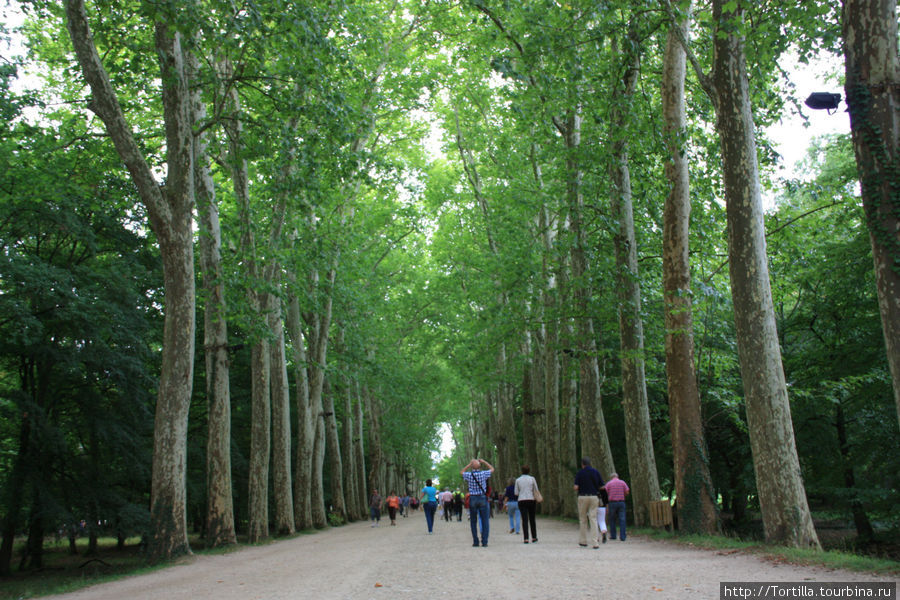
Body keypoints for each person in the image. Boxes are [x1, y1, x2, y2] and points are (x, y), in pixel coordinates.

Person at [461, 457, 494, 547]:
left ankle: (475, 541)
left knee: (473, 521)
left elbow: (462, 472)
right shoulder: (483, 474)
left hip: (473, 498)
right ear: (480, 466)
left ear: (472, 467)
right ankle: (484, 541)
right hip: (483, 498)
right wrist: (484, 461)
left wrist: (469, 464)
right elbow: (492, 469)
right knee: (485, 521)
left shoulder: (469, 475)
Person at [573, 457, 604, 548]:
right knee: (593, 519)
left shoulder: (580, 473)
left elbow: (575, 487)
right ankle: (595, 542)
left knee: (583, 519)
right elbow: (602, 486)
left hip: (582, 496)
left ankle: (583, 541)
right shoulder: (596, 472)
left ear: (582, 464)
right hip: (594, 496)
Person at [514, 465, 540, 544]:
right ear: (529, 471)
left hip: (522, 500)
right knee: (532, 519)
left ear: (521, 471)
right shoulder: (532, 479)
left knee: (524, 519)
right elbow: (536, 489)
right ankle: (534, 537)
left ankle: (526, 538)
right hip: (531, 499)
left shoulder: (518, 480)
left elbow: (516, 492)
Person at [603, 472, 630, 541]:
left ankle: (613, 535)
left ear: (611, 477)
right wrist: (623, 495)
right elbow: (627, 491)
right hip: (621, 502)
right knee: (622, 519)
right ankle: (623, 536)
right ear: (617, 477)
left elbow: (604, 493)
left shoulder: (609, 483)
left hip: (612, 503)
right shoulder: (622, 482)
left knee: (612, 519)